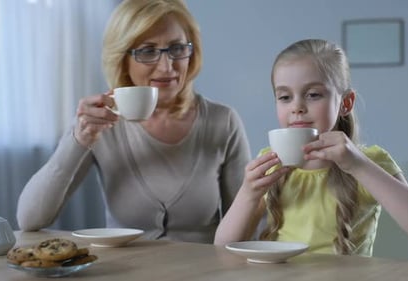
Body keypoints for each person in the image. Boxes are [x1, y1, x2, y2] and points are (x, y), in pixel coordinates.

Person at [16, 0, 251, 244]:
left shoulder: (222, 121)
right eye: (148, 51)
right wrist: (77, 141)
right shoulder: (99, 123)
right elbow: (30, 219)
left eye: (177, 48)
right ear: (123, 60)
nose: (166, 66)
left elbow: (249, 224)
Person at [214, 39, 408, 255]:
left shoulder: (368, 161)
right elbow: (221, 249)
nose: (297, 107)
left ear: (345, 103)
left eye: (313, 94)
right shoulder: (271, 163)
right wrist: (248, 192)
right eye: (285, 97)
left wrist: (358, 165)